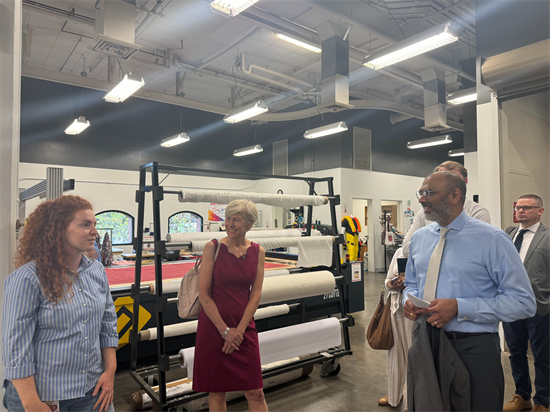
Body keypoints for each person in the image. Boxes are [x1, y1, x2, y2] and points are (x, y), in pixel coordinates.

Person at [403, 171, 536, 411]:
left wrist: (459, 307)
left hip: (473, 348)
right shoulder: (420, 239)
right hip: (425, 340)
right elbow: (412, 283)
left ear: (455, 195)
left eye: (429, 193)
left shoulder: (492, 239)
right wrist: (408, 299)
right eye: (420, 193)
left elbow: (523, 302)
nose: (422, 199)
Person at [2, 195, 118, 412]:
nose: (95, 231)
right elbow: (16, 347)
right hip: (42, 396)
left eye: (95, 224)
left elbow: (108, 322)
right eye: (85, 224)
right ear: (58, 229)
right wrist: (32, 403)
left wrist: (110, 371)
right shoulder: (27, 279)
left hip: (92, 391)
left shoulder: (96, 270)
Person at [193, 199, 268, 412]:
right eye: (228, 219)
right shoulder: (213, 248)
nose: (230, 224)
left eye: (237, 220)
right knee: (217, 392)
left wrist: (238, 332)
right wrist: (225, 331)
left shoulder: (258, 252)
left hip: (244, 328)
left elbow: (255, 294)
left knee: (256, 392)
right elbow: (204, 294)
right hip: (214, 328)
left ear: (250, 224)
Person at [502, 194, 550, 412]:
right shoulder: (508, 234)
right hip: (511, 304)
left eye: (527, 208)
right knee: (516, 353)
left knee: (542, 356)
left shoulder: (547, 236)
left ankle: (543, 400)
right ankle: (522, 396)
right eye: (518, 207)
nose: (520, 211)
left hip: (539, 305)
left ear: (540, 211)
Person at [402, 161, 490, 257]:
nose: (447, 182)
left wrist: (426, 245)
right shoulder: (423, 215)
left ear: (464, 182)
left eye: (453, 178)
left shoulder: (477, 213)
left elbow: (475, 250)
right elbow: (407, 250)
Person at [378, 248, 414, 411]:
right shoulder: (399, 252)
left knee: (411, 354)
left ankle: (411, 401)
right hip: (394, 308)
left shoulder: (423, 252)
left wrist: (408, 282)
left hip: (412, 311)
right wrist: (391, 283)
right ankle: (394, 396)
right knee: (394, 353)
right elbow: (386, 280)